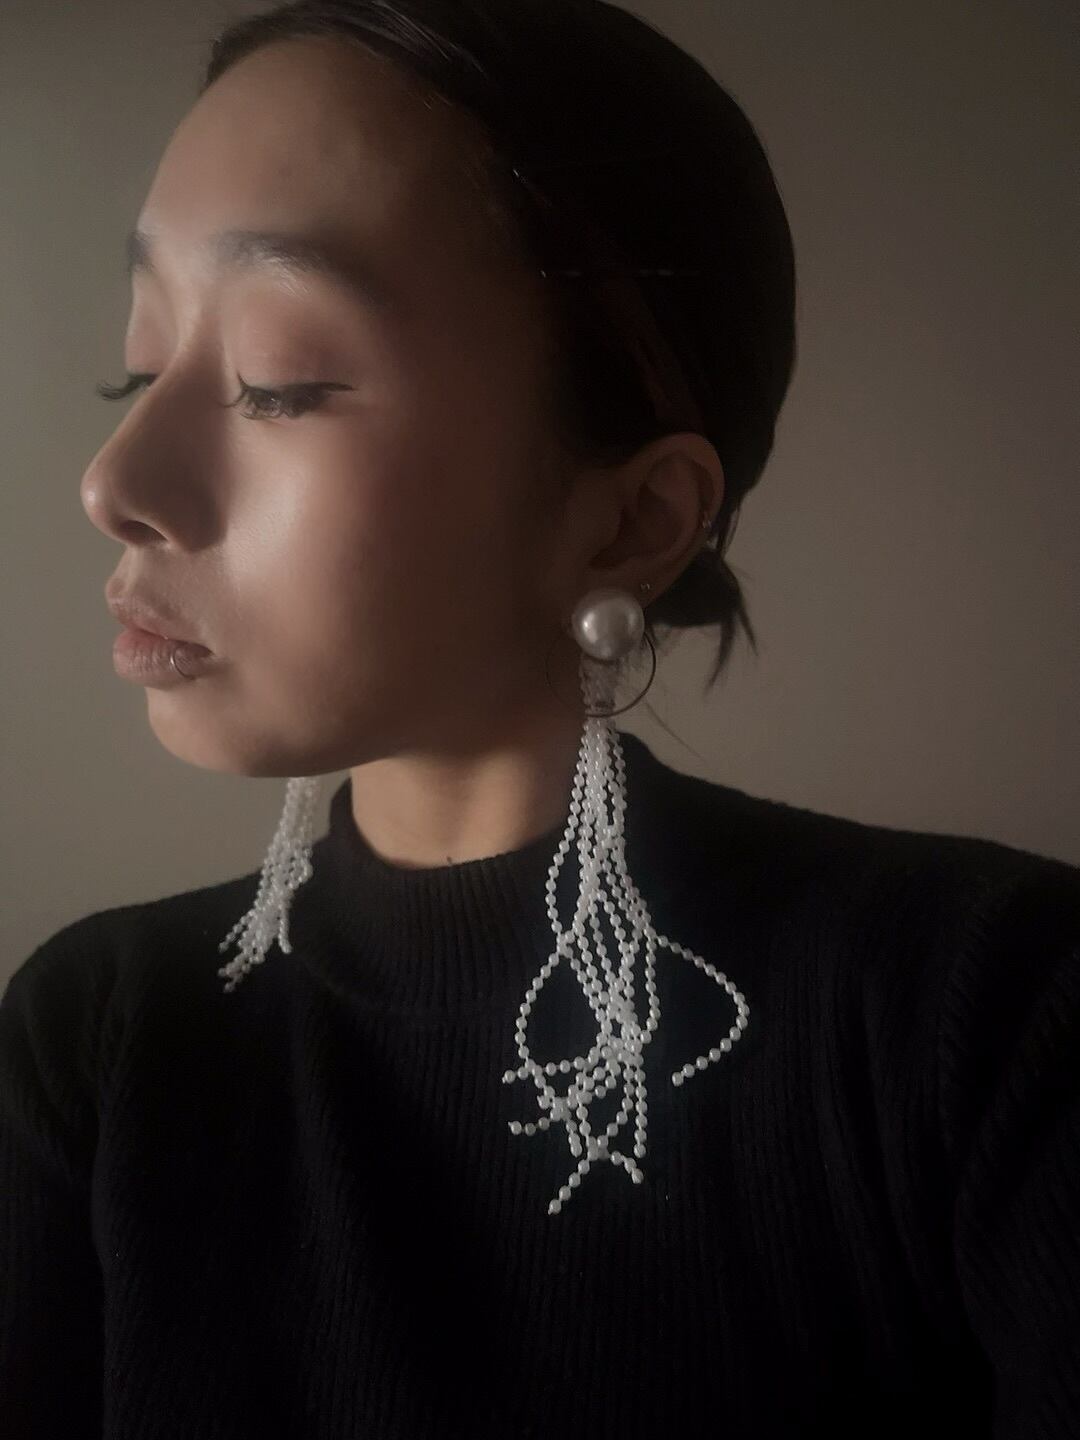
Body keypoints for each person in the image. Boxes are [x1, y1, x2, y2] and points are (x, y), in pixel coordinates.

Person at [2, 2, 1077, 1436]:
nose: (113, 479)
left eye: (279, 383)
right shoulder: (96, 1039)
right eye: (141, 365)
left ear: (631, 519)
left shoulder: (988, 1018)